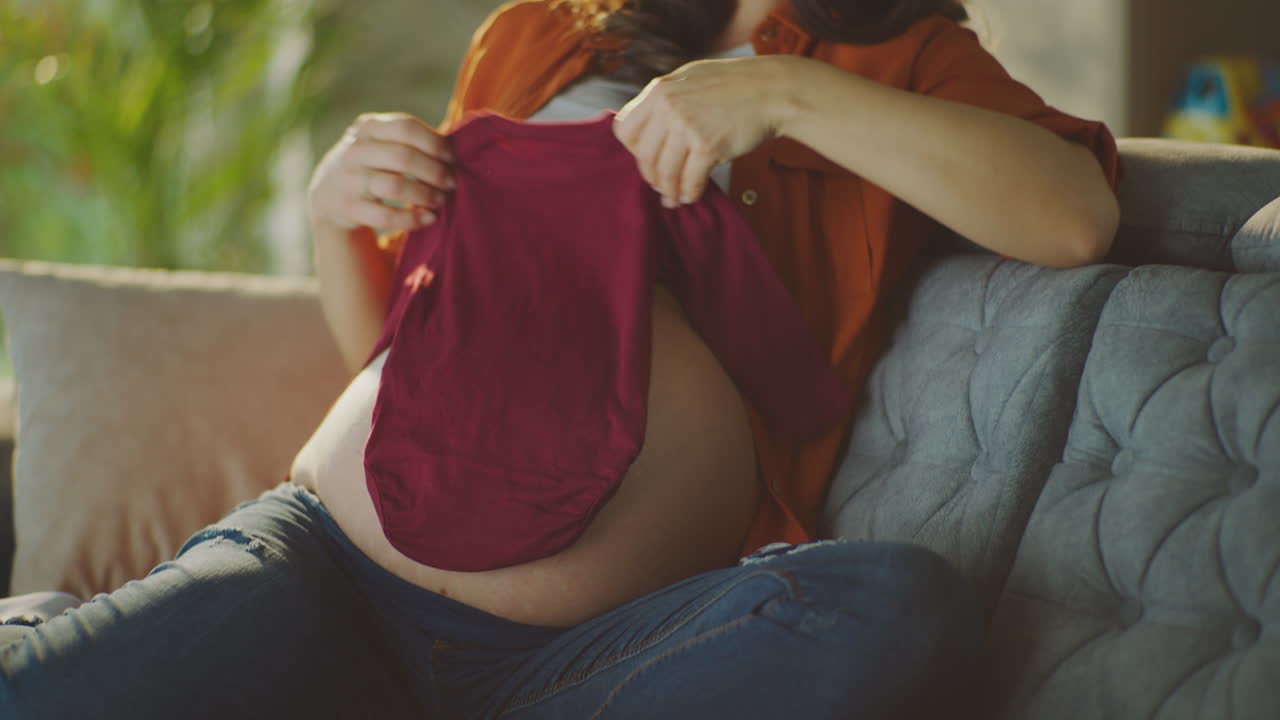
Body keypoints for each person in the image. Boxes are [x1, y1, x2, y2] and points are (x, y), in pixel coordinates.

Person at [0, 0, 1121, 717]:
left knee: (895, 610)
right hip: (318, 570)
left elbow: (1073, 217)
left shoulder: (905, 53)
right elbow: (405, 362)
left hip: (594, 662)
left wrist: (789, 95)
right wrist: (334, 215)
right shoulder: (533, 35)